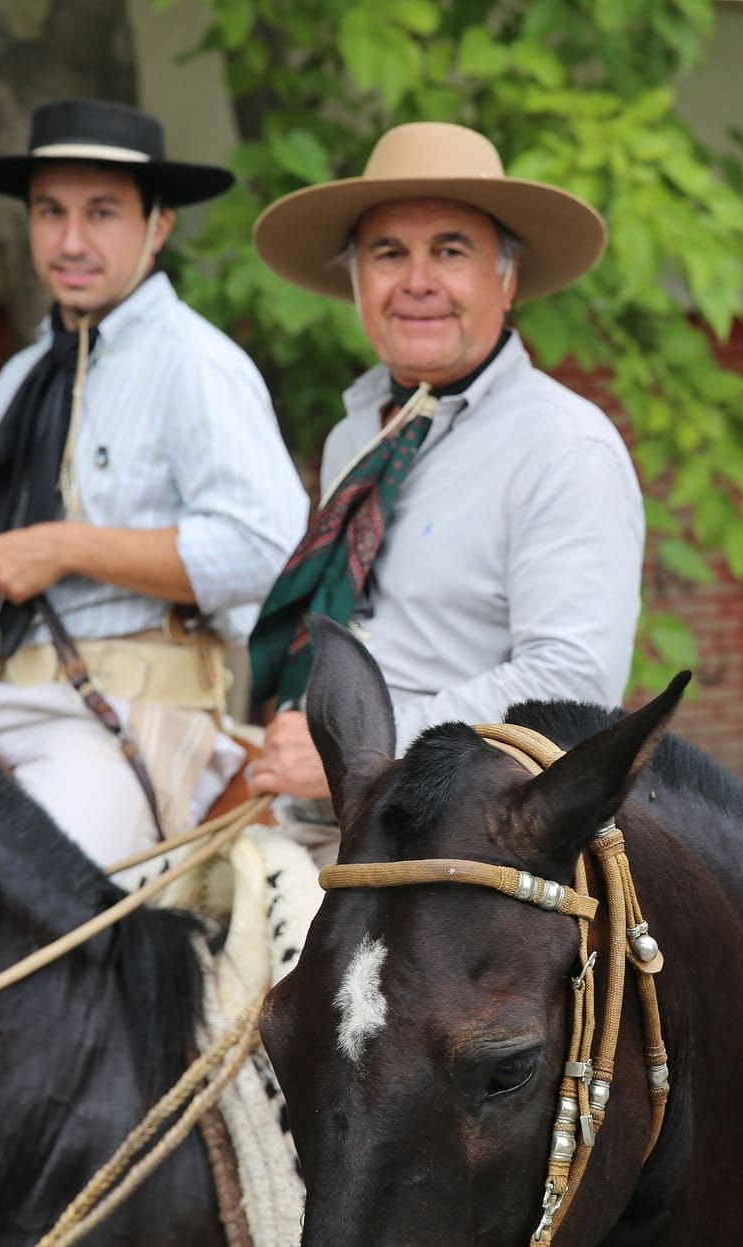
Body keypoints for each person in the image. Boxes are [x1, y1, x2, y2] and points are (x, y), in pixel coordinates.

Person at [0, 99, 308, 868]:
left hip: (139, 715)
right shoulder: (20, 376)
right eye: (50, 212)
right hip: (4, 697)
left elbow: (268, 547)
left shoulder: (197, 363)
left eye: (102, 213)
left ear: (158, 226)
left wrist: (69, 548)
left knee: (33, 891)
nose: (72, 240)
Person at [242, 122, 644, 823]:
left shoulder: (565, 445)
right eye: (388, 253)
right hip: (319, 811)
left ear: (507, 277)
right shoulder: (358, 438)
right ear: (358, 281)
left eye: (450, 251)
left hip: (458, 850)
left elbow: (572, 686)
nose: (417, 281)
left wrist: (364, 743)